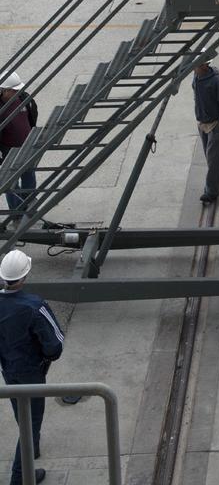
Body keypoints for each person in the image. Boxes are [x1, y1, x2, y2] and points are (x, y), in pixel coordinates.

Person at [0, 249, 64, 485]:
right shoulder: (34, 306)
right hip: (32, 373)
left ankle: (32, 450)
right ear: (25, 276)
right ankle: (20, 477)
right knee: (30, 424)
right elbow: (54, 346)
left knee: (21, 414)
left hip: (8, 370)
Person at [191, 59, 219, 205]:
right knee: (214, 157)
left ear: (204, 65)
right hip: (203, 124)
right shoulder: (196, 78)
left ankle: (211, 192)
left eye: (196, 65)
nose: (193, 69)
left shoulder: (216, 82)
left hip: (216, 125)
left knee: (212, 159)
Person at [0, 71, 38, 223]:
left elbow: (32, 117)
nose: (18, 92)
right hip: (8, 150)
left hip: (27, 147)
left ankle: (28, 207)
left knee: (29, 178)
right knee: (12, 183)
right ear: (4, 91)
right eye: (14, 90)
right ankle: (16, 215)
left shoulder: (24, 99)